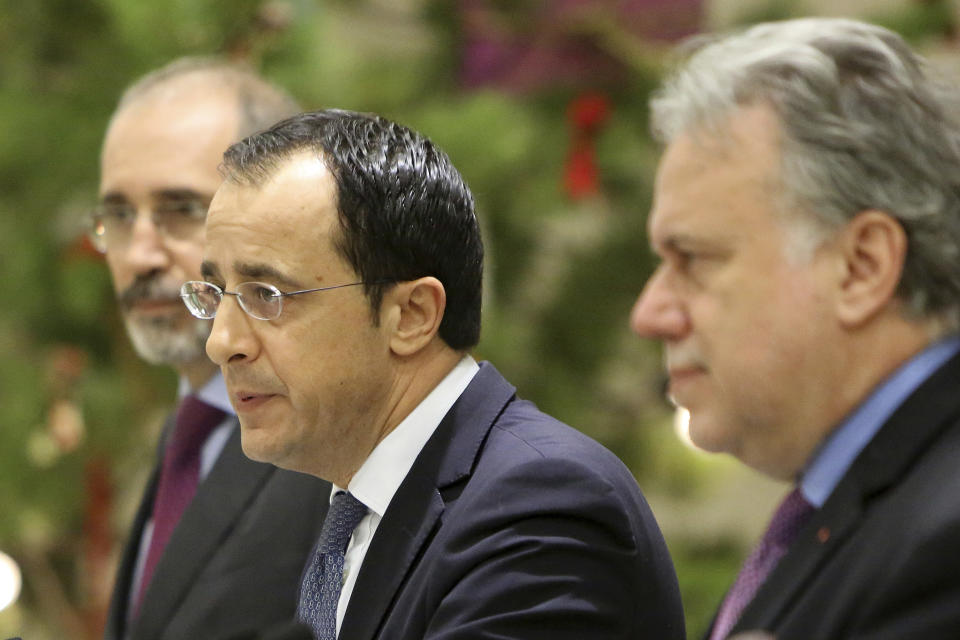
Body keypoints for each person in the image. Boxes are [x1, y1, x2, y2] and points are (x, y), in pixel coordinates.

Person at [181, 108, 685, 640]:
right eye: (215, 295)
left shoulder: (539, 506)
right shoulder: (345, 513)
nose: (221, 343)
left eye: (268, 295)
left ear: (412, 315)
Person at [630, 17, 960, 640]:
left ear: (861, 267)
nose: (649, 313)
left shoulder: (944, 535)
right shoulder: (839, 512)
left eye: (693, 258)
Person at [93, 58, 330, 640]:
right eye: (119, 215)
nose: (140, 255)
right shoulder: (186, 431)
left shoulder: (339, 452)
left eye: (181, 210)